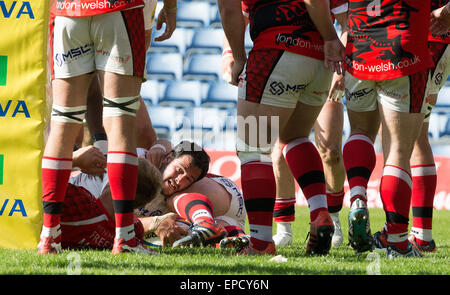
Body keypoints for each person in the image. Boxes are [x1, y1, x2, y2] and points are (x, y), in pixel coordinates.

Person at [39, 0, 177, 255]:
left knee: (63, 119)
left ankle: (49, 237)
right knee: (120, 121)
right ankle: (124, 239)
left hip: (66, 11)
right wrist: (170, 7)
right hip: (118, 10)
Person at [218, 0, 345, 255]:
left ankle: (261, 242)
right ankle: (320, 212)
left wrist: (239, 57)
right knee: (295, 137)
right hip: (319, 59)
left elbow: (228, 9)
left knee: (253, 147)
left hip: (276, 51)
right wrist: (331, 38)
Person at [344, 0, 432, 258]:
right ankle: (397, 241)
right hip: (403, 49)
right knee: (398, 150)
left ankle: (358, 195)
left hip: (359, 47)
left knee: (359, 130)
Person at [373, 0, 450, 254]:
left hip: (431, 38)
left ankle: (403, 234)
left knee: (405, 137)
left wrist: (446, 11)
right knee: (415, 135)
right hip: (426, 37)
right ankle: (420, 235)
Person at [59, 146, 182, 251]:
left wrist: (74, 158)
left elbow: (44, 182)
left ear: (116, 179)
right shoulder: (134, 229)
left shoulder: (79, 201)